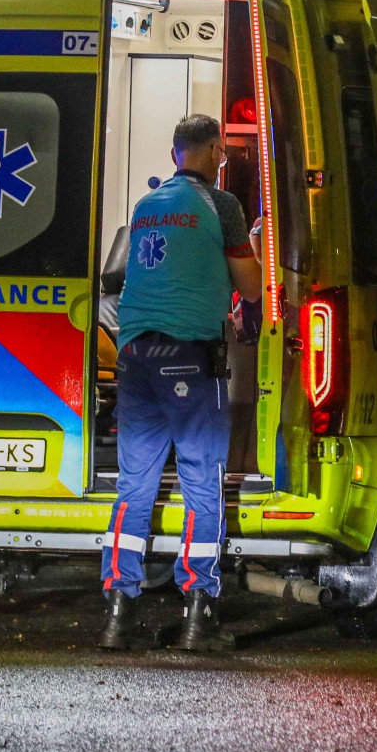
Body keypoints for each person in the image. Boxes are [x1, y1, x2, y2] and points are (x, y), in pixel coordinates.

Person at [99, 114, 263, 652]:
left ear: (174, 154)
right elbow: (249, 284)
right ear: (215, 150)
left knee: (134, 484)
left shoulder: (145, 208)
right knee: (200, 481)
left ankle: (119, 612)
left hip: (137, 356)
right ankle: (198, 613)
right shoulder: (223, 206)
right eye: (222, 152)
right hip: (190, 356)